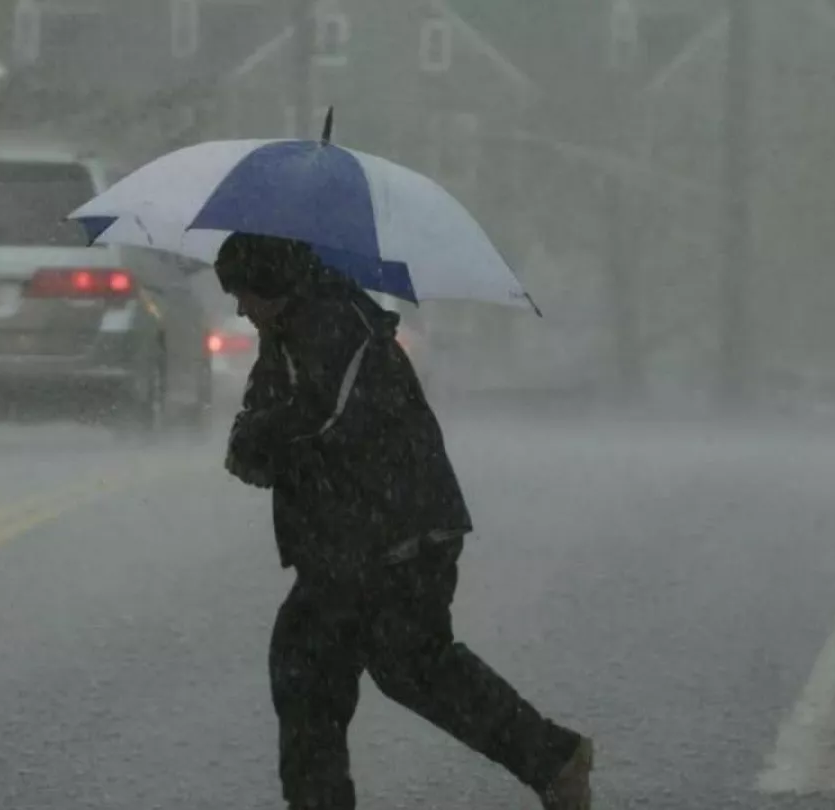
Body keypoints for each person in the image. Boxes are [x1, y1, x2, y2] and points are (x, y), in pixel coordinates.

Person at [216, 233, 594, 810]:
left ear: (273, 284)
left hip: (397, 534)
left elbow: (322, 413)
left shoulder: (335, 321)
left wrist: (262, 440)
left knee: (392, 664)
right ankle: (547, 757)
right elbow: (263, 414)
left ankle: (552, 757)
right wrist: (252, 442)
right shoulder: (289, 332)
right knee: (323, 670)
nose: (240, 309)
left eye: (243, 293)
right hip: (347, 540)